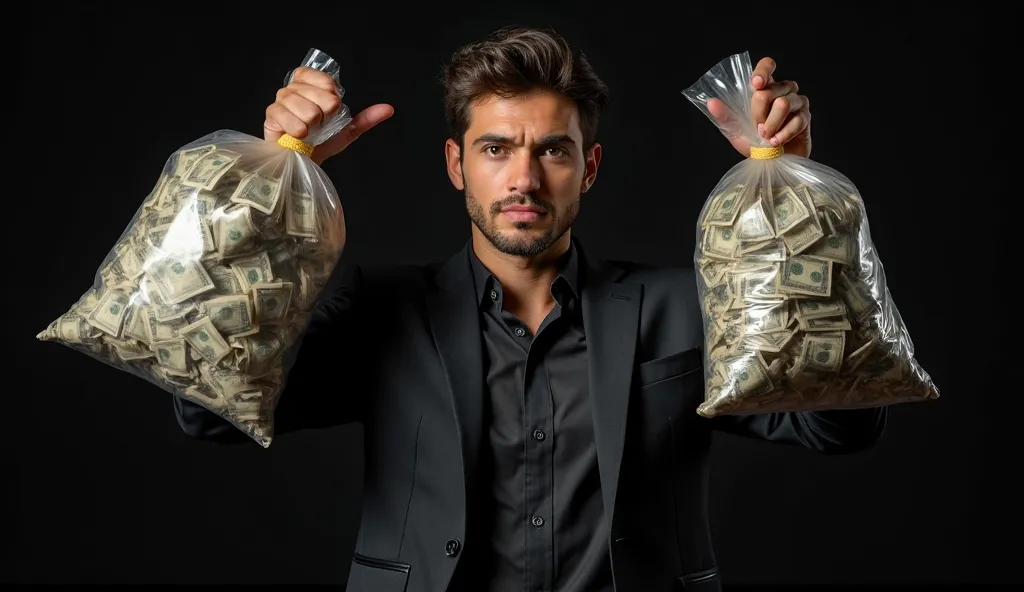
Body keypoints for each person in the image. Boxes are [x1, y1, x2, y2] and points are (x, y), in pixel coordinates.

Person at [175, 26, 887, 592]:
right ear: (458, 166)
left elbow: (836, 426)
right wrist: (273, 180)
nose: (523, 178)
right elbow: (210, 413)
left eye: (553, 150)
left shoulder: (683, 308)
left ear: (590, 167)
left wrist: (796, 191)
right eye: (496, 149)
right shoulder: (383, 313)